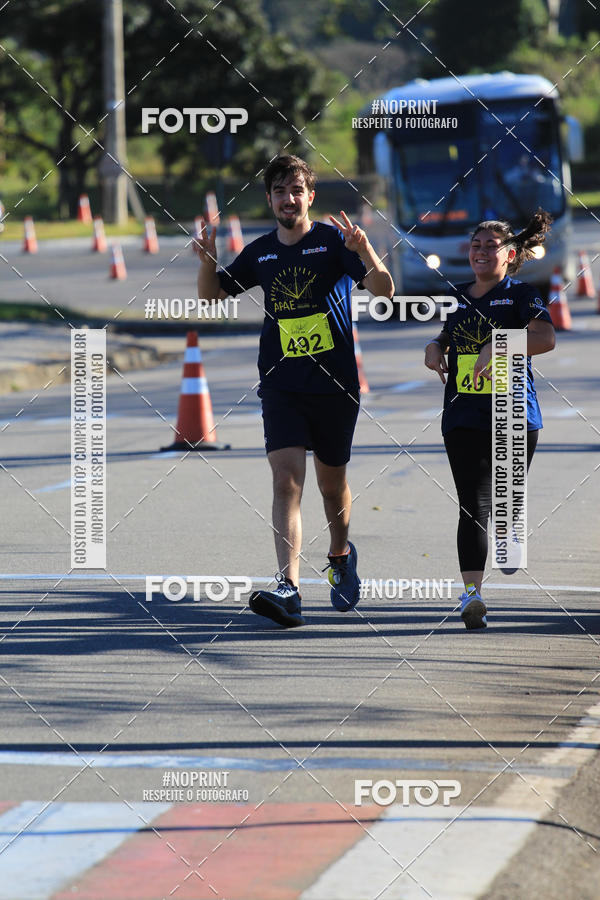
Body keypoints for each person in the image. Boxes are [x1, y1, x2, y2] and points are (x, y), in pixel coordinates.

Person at [193, 155, 394, 627]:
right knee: (286, 481)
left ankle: (341, 554)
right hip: (281, 385)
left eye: (296, 190)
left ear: (310, 197)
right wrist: (207, 261)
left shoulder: (331, 243)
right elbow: (211, 295)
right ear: (270, 199)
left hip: (334, 386)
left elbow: (384, 289)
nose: (288, 199)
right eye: (280, 191)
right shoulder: (261, 252)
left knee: (331, 488)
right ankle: (290, 588)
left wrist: (365, 251)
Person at [424, 210, 555, 630]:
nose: (480, 251)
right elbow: (450, 334)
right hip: (463, 414)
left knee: (506, 497)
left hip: (514, 412)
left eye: (490, 245)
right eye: (475, 245)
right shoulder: (459, 296)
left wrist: (500, 347)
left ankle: (511, 524)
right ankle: (472, 596)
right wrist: (434, 344)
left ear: (510, 254)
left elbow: (546, 338)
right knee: (472, 506)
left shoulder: (522, 295)